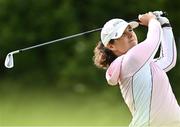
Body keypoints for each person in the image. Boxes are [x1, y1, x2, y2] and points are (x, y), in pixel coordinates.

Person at [93, 11, 180, 126]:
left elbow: (168, 60)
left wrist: (164, 24)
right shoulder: (131, 60)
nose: (130, 35)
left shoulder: (141, 65)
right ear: (111, 46)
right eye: (122, 34)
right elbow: (154, 40)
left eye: (130, 30)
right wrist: (151, 20)